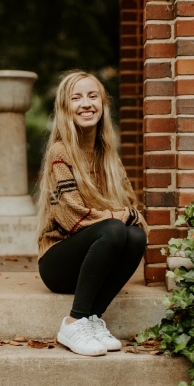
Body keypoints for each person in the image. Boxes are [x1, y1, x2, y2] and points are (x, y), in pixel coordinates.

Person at [35, 70, 148, 357]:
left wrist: (126, 217)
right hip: (59, 261)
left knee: (134, 236)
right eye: (76, 98)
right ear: (65, 108)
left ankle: (93, 318)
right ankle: (73, 322)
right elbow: (73, 217)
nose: (86, 104)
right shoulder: (60, 152)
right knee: (115, 228)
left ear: (103, 104)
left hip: (98, 255)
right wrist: (122, 216)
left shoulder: (108, 156)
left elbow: (132, 208)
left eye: (92, 96)